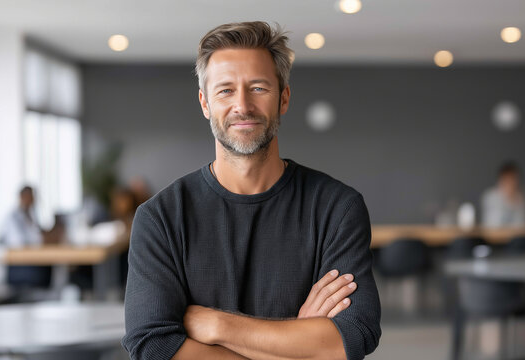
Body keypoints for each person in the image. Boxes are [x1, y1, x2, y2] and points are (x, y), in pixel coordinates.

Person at [122, 22, 381, 360]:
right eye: (225, 90)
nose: (242, 106)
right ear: (205, 103)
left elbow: (354, 334)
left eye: (258, 88)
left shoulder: (337, 207)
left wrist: (219, 326)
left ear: (283, 98)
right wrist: (299, 343)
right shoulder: (161, 218)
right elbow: (152, 346)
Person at [0, 186, 52, 287]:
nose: (33, 200)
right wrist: (43, 237)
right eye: (31, 197)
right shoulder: (13, 217)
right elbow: (20, 242)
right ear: (22, 197)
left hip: (32, 261)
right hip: (20, 265)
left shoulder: (31, 215)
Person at [481, 162, 525, 227]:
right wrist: (506, 199)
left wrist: (512, 201)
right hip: (494, 236)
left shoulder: (521, 197)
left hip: (516, 236)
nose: (511, 183)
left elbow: (521, 225)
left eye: (513, 179)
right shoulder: (490, 196)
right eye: (507, 180)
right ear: (500, 180)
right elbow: (492, 224)